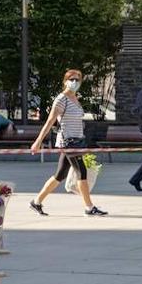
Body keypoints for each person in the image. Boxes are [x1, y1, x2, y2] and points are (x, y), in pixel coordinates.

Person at [29, 68, 107, 216]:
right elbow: (50, 121)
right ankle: (89, 207)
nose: (74, 82)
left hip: (77, 140)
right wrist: (38, 141)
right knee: (81, 172)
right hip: (68, 142)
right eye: (72, 79)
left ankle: (36, 202)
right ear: (65, 81)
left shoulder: (75, 99)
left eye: (78, 79)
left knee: (60, 175)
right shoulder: (61, 99)